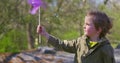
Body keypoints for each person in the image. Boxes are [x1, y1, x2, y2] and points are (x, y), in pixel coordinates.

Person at [37, 10, 115, 63]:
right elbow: (61, 44)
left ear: (98, 30)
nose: (84, 26)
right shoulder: (80, 42)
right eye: (84, 23)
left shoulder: (106, 49)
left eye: (87, 24)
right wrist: (45, 34)